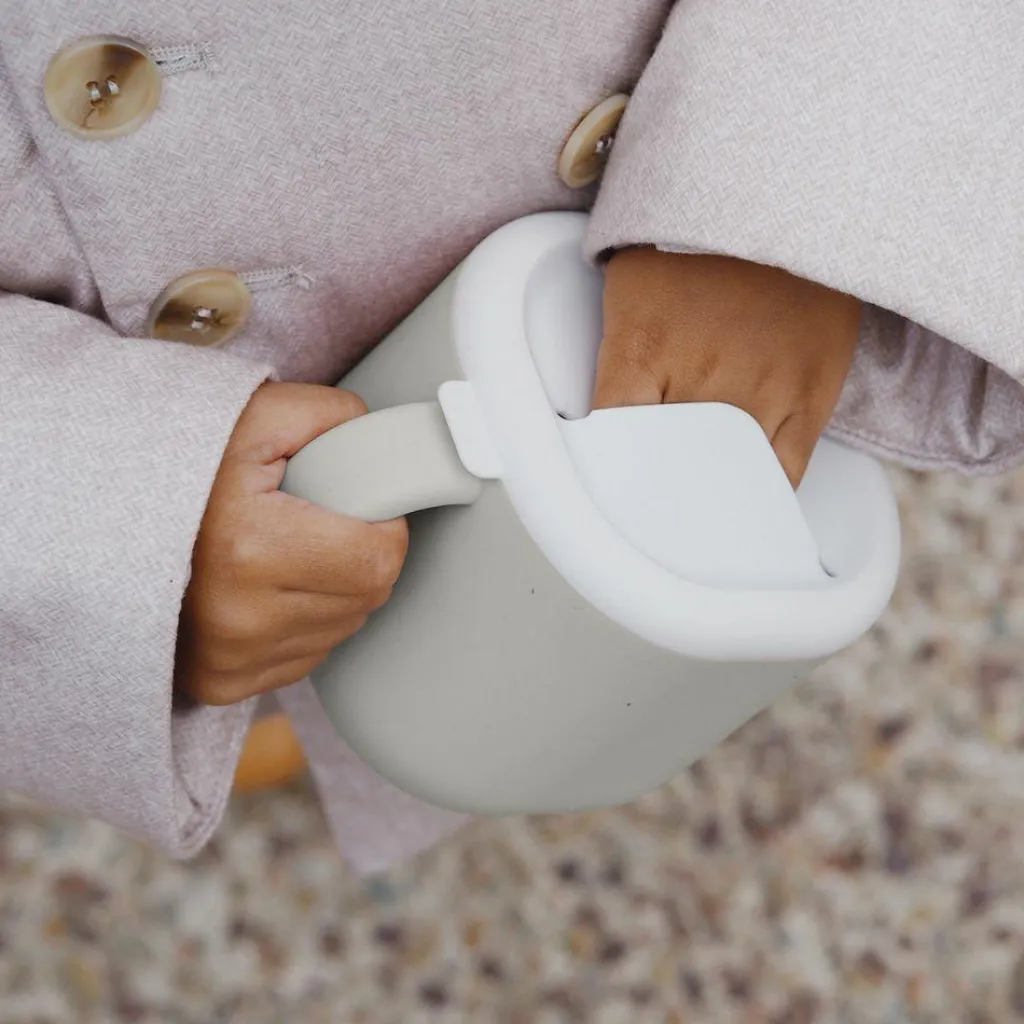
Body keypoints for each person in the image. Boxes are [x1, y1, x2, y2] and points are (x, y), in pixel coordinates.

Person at [3, 1, 1023, 877]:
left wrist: (779, 176)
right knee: (172, 626)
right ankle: (255, 696)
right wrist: (110, 530)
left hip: (654, 233)